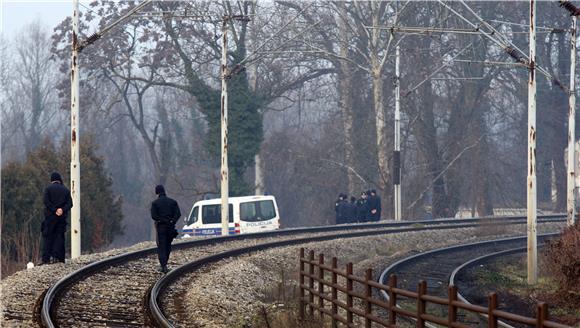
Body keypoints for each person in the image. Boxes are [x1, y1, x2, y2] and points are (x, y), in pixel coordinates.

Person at [41, 172, 73, 265]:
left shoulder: (48, 189)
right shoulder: (66, 190)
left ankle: (46, 259)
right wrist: (62, 210)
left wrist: (54, 210)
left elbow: (46, 201)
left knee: (48, 237)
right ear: (59, 180)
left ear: (52, 180)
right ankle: (59, 258)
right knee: (59, 237)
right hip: (61, 218)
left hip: (50, 217)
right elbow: (70, 204)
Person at [151, 184, 181, 273]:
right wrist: (172, 221)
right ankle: (165, 263)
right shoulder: (173, 202)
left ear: (157, 192)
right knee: (168, 245)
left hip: (161, 227)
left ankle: (163, 265)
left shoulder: (155, 203)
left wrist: (161, 220)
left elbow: (154, 216)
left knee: (161, 246)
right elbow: (178, 214)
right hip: (171, 227)